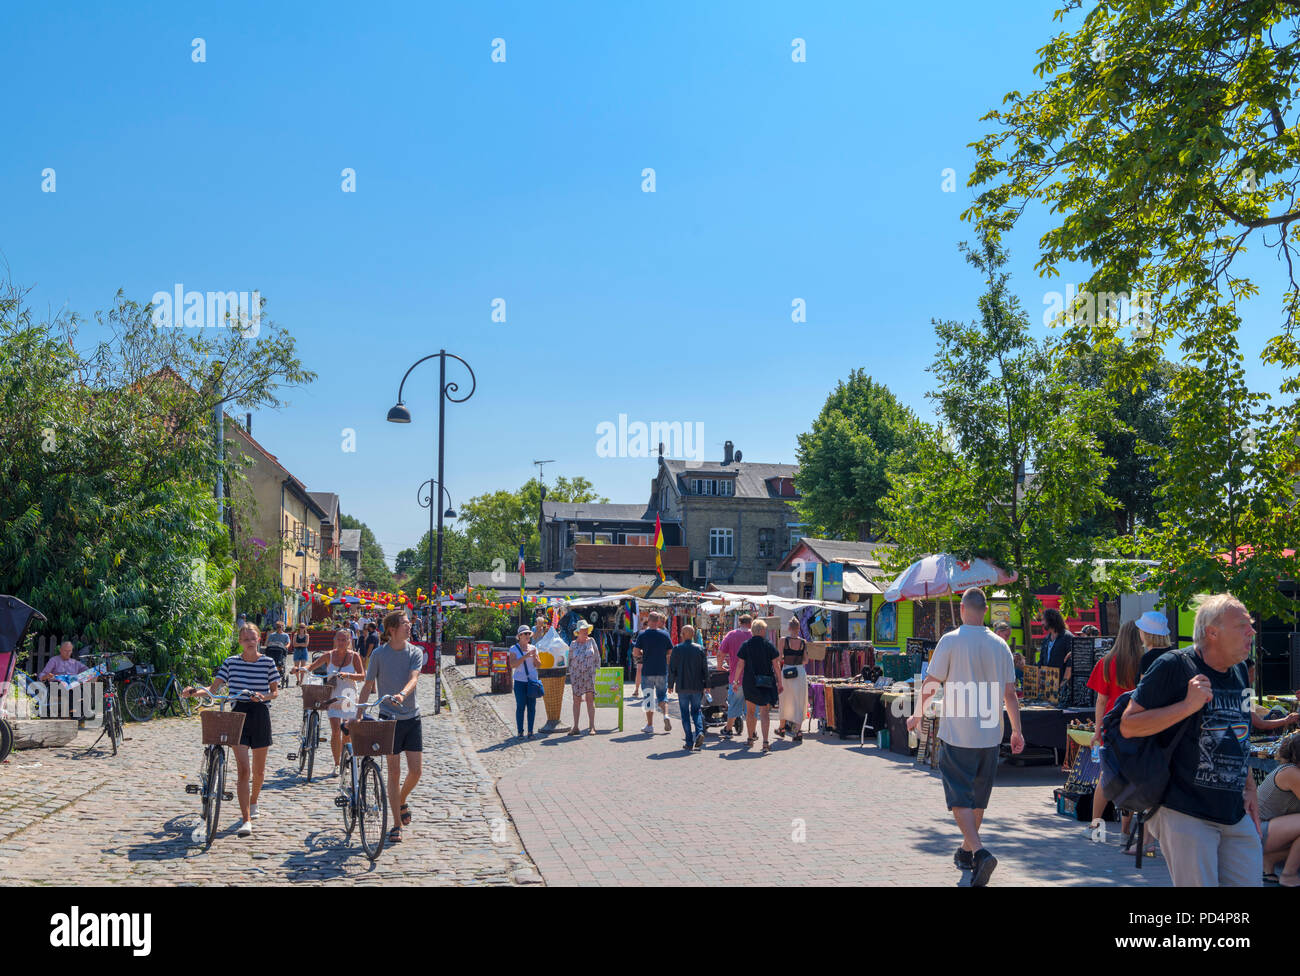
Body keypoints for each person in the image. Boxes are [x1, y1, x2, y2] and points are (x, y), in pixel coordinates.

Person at [1120, 594, 1262, 887]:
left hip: (1233, 811)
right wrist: (1187, 705)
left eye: (1251, 625)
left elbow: (1240, 733)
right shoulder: (1173, 665)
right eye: (1242, 625)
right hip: (1184, 810)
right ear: (1212, 632)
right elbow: (1129, 725)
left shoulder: (1239, 670)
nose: (1252, 631)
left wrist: (1250, 788)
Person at [908, 588, 1024, 886]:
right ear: (985, 610)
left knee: (959, 796)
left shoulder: (950, 641)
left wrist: (918, 712)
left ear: (961, 608)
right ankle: (967, 851)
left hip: (959, 732)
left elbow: (932, 682)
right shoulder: (1001, 645)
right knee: (977, 799)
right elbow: (1010, 695)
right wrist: (1017, 731)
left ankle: (981, 852)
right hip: (990, 733)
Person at [183, 623, 280, 838]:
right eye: (244, 638)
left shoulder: (268, 662)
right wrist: (194, 692)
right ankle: (246, 820)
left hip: (260, 713)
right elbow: (213, 689)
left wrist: (264, 696)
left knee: (259, 771)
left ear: (259, 639)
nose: (249, 641)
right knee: (244, 770)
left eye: (252, 637)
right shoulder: (231, 663)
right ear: (239, 642)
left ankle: (254, 801)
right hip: (237, 715)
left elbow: (275, 692)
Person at [356, 610, 423, 845]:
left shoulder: (416, 652)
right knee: (393, 773)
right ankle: (396, 824)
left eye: (409, 623)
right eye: (405, 624)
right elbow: (368, 685)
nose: (409, 626)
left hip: (412, 717)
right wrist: (358, 715)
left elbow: (414, 678)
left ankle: (401, 799)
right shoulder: (379, 654)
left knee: (416, 771)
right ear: (392, 629)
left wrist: (403, 694)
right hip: (388, 718)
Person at [1085, 620, 1144, 842]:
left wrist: (1097, 731)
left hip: (1112, 726)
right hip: (1138, 724)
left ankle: (1095, 827)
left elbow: (1101, 700)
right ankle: (1125, 832)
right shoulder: (1143, 662)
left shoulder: (1107, 661)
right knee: (1132, 778)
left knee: (1105, 776)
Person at [305, 628, 365, 775]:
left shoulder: (354, 656)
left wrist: (348, 675)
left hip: (348, 696)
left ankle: (347, 756)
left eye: (344, 640)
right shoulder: (329, 656)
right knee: (335, 731)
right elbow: (312, 666)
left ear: (349, 641)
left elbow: (362, 676)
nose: (341, 642)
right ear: (335, 641)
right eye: (338, 639)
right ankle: (337, 764)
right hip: (332, 697)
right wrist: (301, 669)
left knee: (346, 732)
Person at [1257, 732, 1300, 886]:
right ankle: (1288, 875)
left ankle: (1270, 860)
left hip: (1267, 832)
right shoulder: (1291, 773)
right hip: (1256, 833)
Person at [733, 619, 782, 752]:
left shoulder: (746, 645)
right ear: (760, 630)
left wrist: (735, 681)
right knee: (764, 712)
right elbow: (776, 665)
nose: (766, 632)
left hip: (749, 682)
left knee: (750, 712)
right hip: (765, 683)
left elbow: (740, 664)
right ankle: (765, 742)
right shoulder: (768, 645)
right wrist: (780, 682)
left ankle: (750, 739)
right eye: (764, 629)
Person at [667, 624, 708, 751]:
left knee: (685, 714)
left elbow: (672, 669)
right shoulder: (700, 649)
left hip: (682, 686)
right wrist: (707, 685)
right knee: (696, 711)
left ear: (684, 635)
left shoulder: (677, 649)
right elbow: (705, 669)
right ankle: (700, 732)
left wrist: (670, 685)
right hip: (697, 686)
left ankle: (689, 742)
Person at [633, 611, 674, 734]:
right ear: (658, 622)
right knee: (662, 696)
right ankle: (666, 715)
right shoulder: (665, 634)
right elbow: (670, 652)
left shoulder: (642, 635)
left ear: (649, 621)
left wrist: (643, 654)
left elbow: (635, 652)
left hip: (648, 670)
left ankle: (650, 725)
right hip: (661, 669)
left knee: (649, 697)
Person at [717, 614, 753, 737]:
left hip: (736, 677)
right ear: (750, 623)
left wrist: (719, 667)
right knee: (751, 707)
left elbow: (720, 654)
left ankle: (728, 729)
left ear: (739, 622)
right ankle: (752, 732)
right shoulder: (755, 636)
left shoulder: (731, 635)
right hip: (752, 678)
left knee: (734, 704)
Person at [775, 618, 809, 741]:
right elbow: (805, 660)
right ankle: (798, 731)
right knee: (799, 701)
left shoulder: (783, 640)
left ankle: (782, 728)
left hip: (787, 671)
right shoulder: (803, 642)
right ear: (799, 628)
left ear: (789, 628)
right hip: (799, 671)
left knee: (784, 699)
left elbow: (778, 658)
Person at [566, 620, 599, 736]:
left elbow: (597, 657)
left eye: (586, 630)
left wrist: (596, 671)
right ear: (578, 632)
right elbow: (569, 659)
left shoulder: (592, 641)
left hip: (589, 675)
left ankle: (592, 726)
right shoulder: (573, 644)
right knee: (576, 700)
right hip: (576, 676)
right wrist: (570, 673)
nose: (585, 632)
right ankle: (576, 727)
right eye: (583, 630)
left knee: (590, 699)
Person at [509, 625, 541, 739]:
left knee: (532, 707)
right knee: (521, 706)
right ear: (519, 636)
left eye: (528, 634)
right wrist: (525, 656)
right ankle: (520, 731)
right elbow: (512, 665)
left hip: (532, 681)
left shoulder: (533, 647)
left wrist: (535, 658)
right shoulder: (513, 648)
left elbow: (539, 665)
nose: (528, 635)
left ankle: (531, 731)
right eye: (525, 634)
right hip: (519, 682)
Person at [1039, 608, 1073, 683]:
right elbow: (1041, 661)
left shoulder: (1067, 637)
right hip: (1048, 685)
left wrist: (1063, 683)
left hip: (1062, 684)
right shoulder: (1046, 639)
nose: (1042, 623)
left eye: (1043, 620)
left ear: (1051, 620)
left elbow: (1070, 663)